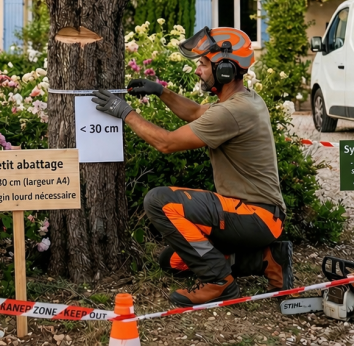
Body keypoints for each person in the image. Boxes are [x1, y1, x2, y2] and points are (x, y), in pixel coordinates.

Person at [92, 26, 292, 306]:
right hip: (258, 217)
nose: (198, 70)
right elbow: (196, 111)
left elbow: (166, 143)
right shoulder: (243, 100)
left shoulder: (233, 111)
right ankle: (268, 260)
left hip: (256, 216)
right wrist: (160, 91)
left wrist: (125, 112)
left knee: (159, 201)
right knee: (173, 261)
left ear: (225, 69)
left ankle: (219, 283)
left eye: (203, 63)